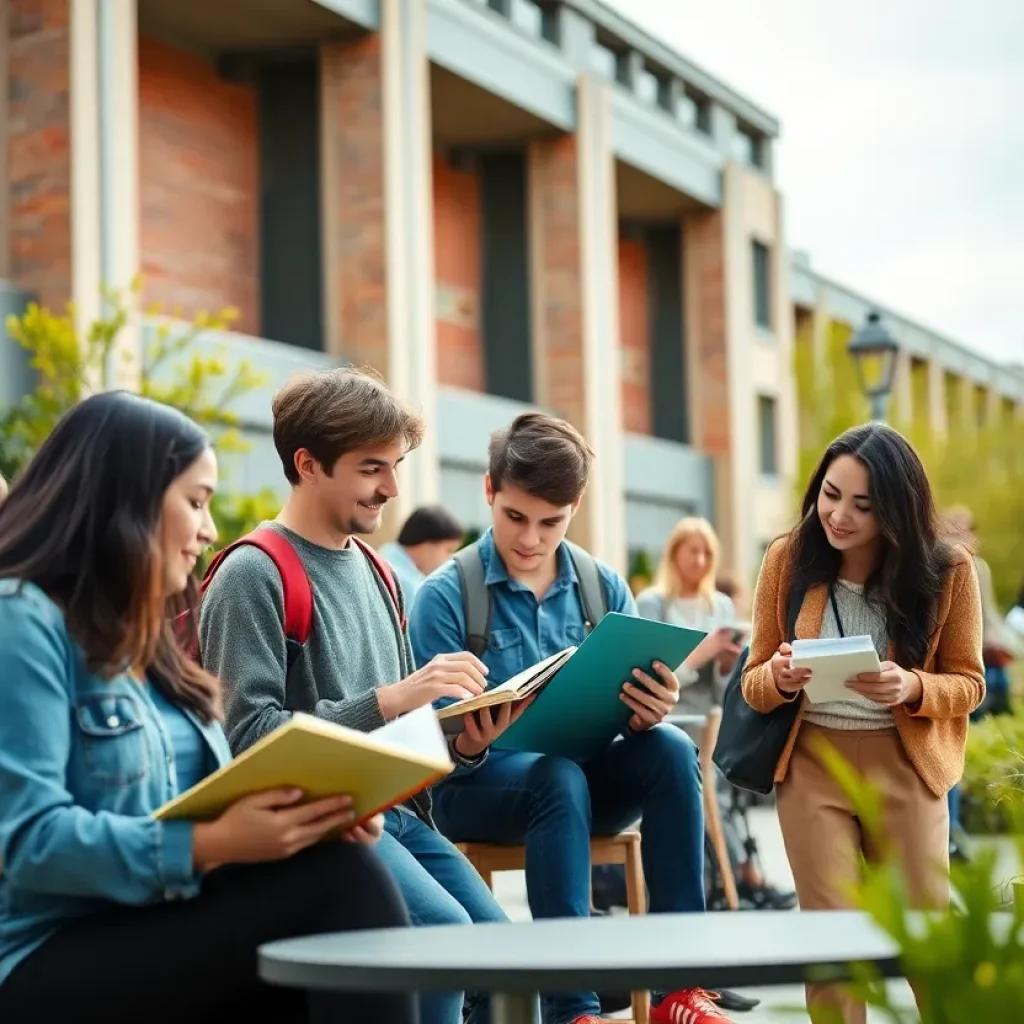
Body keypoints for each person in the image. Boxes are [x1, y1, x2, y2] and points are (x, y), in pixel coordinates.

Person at [0, 391, 417, 1024]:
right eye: (195, 502)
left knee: (334, 865)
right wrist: (209, 842)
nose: (210, 530)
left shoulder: (145, 643)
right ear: (127, 500)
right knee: (340, 889)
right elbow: (30, 841)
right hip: (47, 951)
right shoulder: (21, 621)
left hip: (157, 920)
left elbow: (198, 804)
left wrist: (303, 818)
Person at [199, 367, 506, 1024]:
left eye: (394, 466)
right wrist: (392, 698)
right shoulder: (252, 573)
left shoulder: (377, 572)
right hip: (328, 824)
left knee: (508, 961)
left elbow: (398, 722)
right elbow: (246, 736)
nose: (392, 489)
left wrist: (464, 739)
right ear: (308, 464)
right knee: (447, 947)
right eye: (373, 469)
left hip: (397, 815)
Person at [409, 412, 739, 1024]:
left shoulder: (602, 588)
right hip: (475, 790)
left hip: (581, 783)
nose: (531, 538)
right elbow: (425, 746)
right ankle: (573, 1010)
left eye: (551, 523)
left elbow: (628, 709)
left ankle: (680, 992)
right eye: (514, 517)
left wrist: (647, 710)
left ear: (576, 506)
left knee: (669, 749)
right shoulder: (445, 595)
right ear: (489, 491)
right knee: (555, 775)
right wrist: (472, 744)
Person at [742, 422, 984, 1024]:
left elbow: (970, 684)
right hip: (813, 764)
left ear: (897, 509)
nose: (838, 515)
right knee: (831, 945)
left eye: (861, 504)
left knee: (926, 932)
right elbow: (752, 680)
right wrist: (778, 676)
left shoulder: (948, 570)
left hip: (905, 763)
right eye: (830, 494)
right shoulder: (787, 559)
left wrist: (912, 685)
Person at [633, 517, 796, 912]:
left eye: (708, 552)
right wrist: (701, 653)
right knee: (708, 790)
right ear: (675, 555)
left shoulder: (719, 605)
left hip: (709, 719)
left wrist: (725, 662)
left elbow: (727, 687)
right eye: (694, 551)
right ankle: (739, 873)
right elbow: (646, 672)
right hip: (664, 718)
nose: (702, 560)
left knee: (718, 786)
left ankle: (731, 874)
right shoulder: (652, 603)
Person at [381, 505, 466, 601]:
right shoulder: (404, 584)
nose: (451, 559)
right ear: (426, 545)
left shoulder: (382, 559)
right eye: (449, 550)